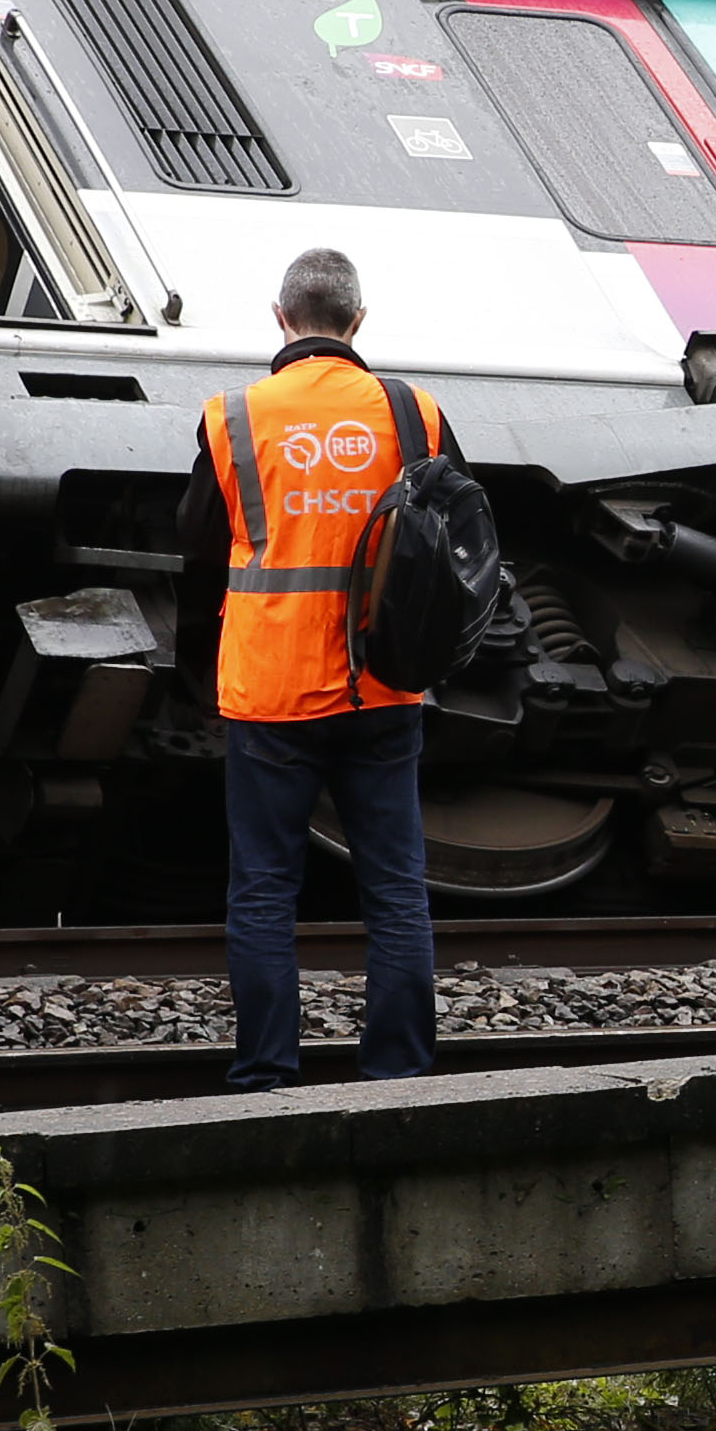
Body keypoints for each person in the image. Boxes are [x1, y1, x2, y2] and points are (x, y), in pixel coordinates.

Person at [181, 247, 448, 1092]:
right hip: (384, 682)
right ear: (358, 321)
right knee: (396, 888)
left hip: (272, 687)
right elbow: (455, 540)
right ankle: (398, 1072)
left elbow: (197, 544)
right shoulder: (414, 412)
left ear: (281, 317)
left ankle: (265, 1075)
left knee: (264, 890)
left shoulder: (233, 416)